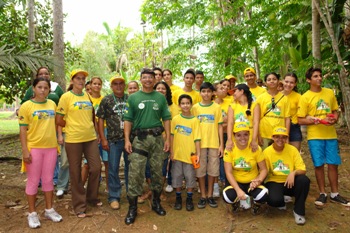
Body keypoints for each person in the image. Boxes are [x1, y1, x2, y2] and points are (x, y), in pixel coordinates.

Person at [123, 68, 171, 225]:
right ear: (141, 79)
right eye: (145, 78)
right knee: (135, 173)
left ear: (154, 79)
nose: (148, 80)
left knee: (158, 172)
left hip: (157, 139)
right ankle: (132, 208)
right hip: (140, 139)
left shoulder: (160, 98)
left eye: (151, 77)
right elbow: (128, 120)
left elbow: (166, 118)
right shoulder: (133, 98)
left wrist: (168, 139)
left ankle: (156, 202)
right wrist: (127, 140)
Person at [298, 67, 350, 207]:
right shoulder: (305, 97)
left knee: (333, 164)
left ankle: (335, 193)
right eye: (315, 76)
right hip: (315, 137)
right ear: (309, 80)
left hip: (331, 135)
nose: (319, 78)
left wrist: (334, 118)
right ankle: (322, 193)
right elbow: (300, 119)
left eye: (320, 76)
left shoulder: (328, 93)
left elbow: (335, 111)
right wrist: (313, 120)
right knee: (319, 165)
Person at [56, 69, 102, 218]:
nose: (81, 81)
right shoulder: (66, 97)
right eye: (78, 78)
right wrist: (71, 126)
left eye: (83, 79)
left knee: (95, 167)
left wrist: (96, 132)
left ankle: (91, 197)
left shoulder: (87, 95)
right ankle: (79, 205)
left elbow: (92, 116)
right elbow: (58, 119)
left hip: (90, 138)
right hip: (73, 139)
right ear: (72, 81)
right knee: (75, 172)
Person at [19, 77, 62, 228]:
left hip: (50, 148)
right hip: (34, 149)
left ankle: (49, 210)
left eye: (45, 87)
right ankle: (32, 214)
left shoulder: (52, 104)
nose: (42, 90)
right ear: (33, 88)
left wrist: (60, 136)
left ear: (49, 89)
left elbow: (58, 123)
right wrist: (25, 150)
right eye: (39, 87)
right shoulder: (26, 106)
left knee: (48, 179)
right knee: (33, 180)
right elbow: (23, 131)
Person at [20, 67, 63, 186]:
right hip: (35, 131)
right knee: (35, 163)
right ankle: (37, 180)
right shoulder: (31, 89)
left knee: (52, 158)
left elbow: (62, 104)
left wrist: (59, 133)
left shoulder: (56, 88)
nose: (44, 75)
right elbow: (24, 105)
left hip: (51, 130)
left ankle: (53, 179)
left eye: (46, 73)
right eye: (41, 74)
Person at [264, 126, 310, 225]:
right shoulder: (267, 151)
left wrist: (293, 173)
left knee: (304, 180)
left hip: (290, 181)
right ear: (273, 137)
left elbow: (302, 169)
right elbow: (265, 171)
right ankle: (281, 200)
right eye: (277, 137)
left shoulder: (292, 150)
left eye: (283, 137)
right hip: (274, 181)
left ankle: (299, 211)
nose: (280, 140)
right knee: (274, 201)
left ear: (286, 138)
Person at [96, 75, 129, 210]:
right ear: (111, 86)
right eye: (115, 84)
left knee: (130, 168)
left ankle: (132, 194)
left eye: (121, 83)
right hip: (113, 140)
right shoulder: (107, 100)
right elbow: (100, 119)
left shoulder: (130, 99)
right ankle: (114, 196)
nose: (118, 86)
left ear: (124, 85)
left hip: (129, 140)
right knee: (113, 168)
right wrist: (103, 138)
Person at [223, 122, 268, 215]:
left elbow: (264, 169)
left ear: (249, 135)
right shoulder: (229, 149)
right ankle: (236, 202)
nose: (242, 138)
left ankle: (256, 204)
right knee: (227, 196)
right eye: (239, 135)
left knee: (263, 194)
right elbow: (228, 172)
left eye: (245, 134)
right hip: (236, 182)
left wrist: (258, 181)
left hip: (251, 182)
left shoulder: (256, 148)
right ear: (234, 136)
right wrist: (238, 190)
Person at [192, 82, 223, 209]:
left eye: (209, 91)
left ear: (213, 93)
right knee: (200, 170)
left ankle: (210, 195)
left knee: (213, 170)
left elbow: (220, 126)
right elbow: (192, 126)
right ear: (200, 93)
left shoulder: (216, 107)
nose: (206, 94)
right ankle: (203, 196)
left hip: (214, 143)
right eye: (203, 91)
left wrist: (221, 144)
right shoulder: (195, 108)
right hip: (199, 144)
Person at [171, 94, 201, 211]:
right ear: (179, 105)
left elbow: (197, 139)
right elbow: (172, 137)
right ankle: (178, 197)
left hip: (190, 155)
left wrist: (198, 154)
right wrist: (172, 152)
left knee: (190, 177)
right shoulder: (175, 119)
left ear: (191, 104)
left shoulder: (195, 121)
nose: (185, 105)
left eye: (187, 103)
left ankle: (189, 198)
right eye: (183, 103)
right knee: (177, 176)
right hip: (177, 155)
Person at [154, 81, 180, 194]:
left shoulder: (174, 107)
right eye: (158, 88)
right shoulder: (151, 104)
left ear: (167, 91)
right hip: (155, 139)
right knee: (157, 165)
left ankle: (168, 183)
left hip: (173, 139)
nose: (160, 90)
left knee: (170, 163)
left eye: (163, 88)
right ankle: (155, 189)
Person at [256, 72, 290, 149]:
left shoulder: (285, 98)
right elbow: (257, 119)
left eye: (274, 79)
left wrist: (287, 136)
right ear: (265, 83)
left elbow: (287, 118)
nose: (272, 81)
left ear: (278, 81)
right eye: (269, 80)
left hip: (280, 134)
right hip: (264, 133)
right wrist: (258, 135)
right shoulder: (260, 98)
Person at [226, 84, 260, 152]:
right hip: (236, 139)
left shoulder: (255, 105)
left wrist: (254, 140)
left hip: (250, 139)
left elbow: (256, 123)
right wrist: (229, 139)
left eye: (235, 91)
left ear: (241, 91)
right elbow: (230, 123)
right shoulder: (232, 106)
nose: (233, 94)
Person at [213, 83, 231, 196]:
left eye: (225, 87)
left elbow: (231, 120)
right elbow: (213, 124)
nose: (224, 89)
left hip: (227, 135)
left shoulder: (230, 103)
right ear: (214, 93)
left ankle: (225, 182)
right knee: (215, 160)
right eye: (221, 88)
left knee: (225, 158)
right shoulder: (212, 106)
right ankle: (215, 185)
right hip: (214, 136)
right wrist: (223, 121)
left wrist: (222, 123)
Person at [282, 73, 302, 151]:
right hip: (280, 125)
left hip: (294, 126)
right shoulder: (276, 96)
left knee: (295, 153)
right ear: (283, 81)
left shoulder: (299, 97)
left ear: (295, 84)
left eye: (291, 82)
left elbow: (302, 113)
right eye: (286, 81)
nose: (288, 84)